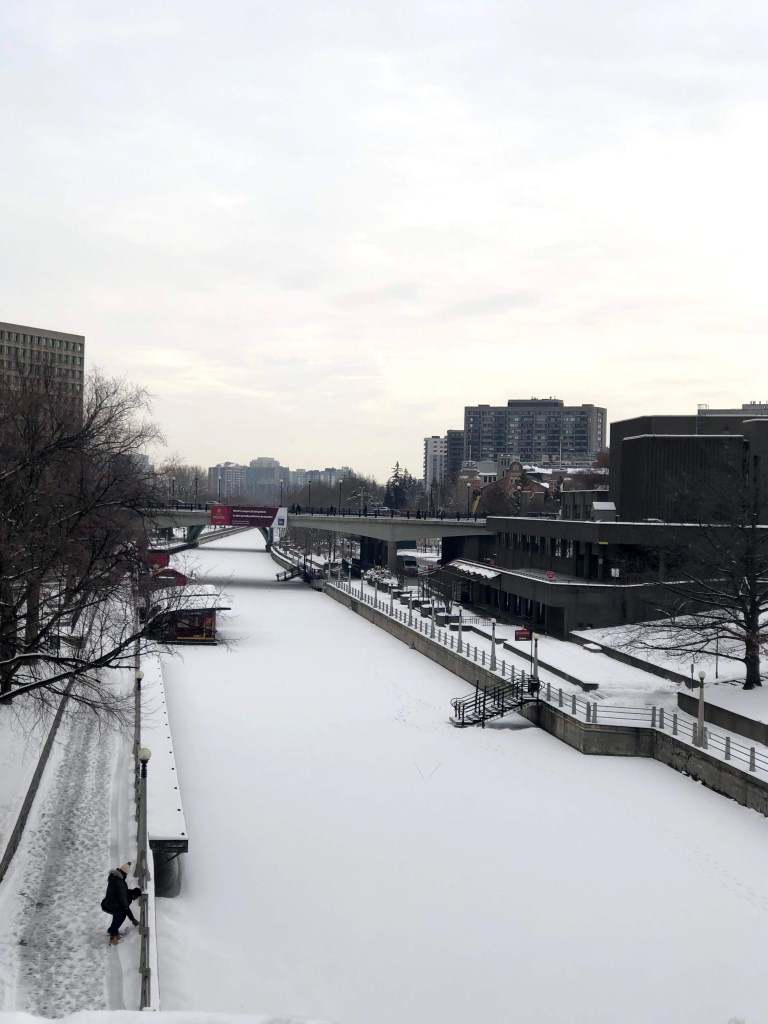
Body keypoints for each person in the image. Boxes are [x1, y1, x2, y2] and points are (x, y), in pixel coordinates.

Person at [101, 861, 141, 945]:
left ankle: (113, 931)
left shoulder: (115, 878)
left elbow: (125, 904)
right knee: (118, 915)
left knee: (122, 914)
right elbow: (122, 897)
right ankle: (112, 938)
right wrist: (132, 919)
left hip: (109, 902)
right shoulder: (120, 882)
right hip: (111, 904)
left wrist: (131, 918)